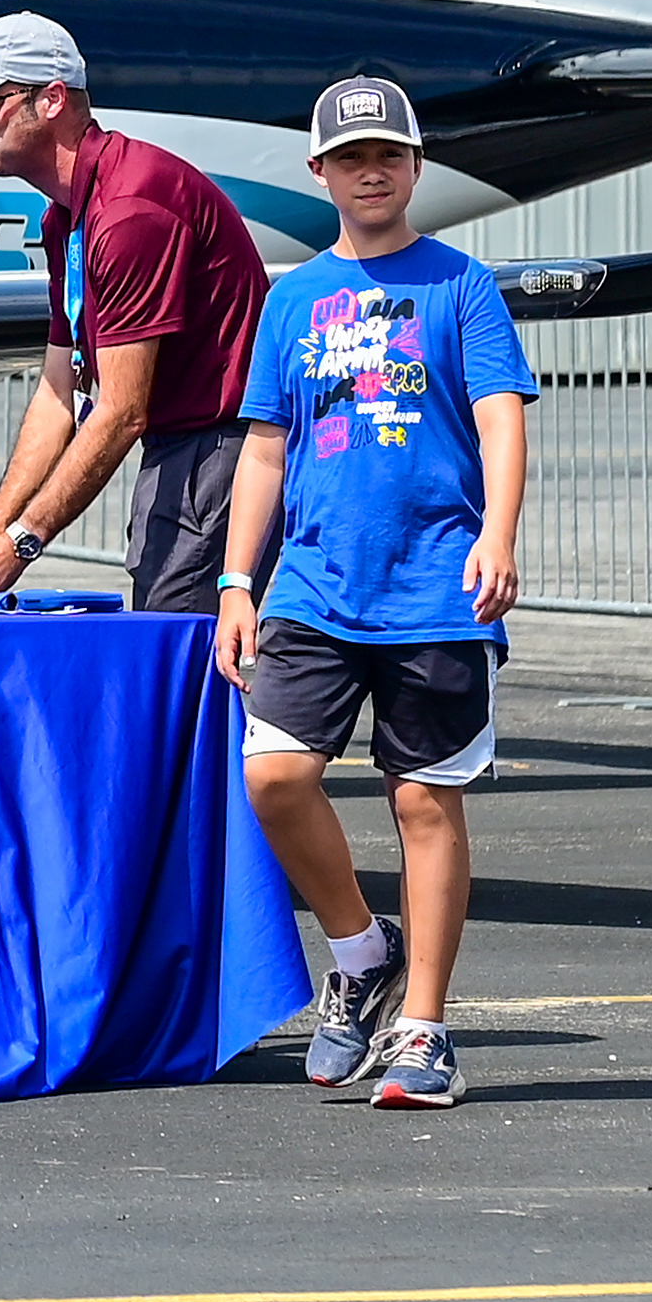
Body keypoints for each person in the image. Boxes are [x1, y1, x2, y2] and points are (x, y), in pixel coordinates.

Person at [215, 74, 535, 1113]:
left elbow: (497, 416)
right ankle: (359, 951)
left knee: (420, 801)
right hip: (311, 582)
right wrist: (233, 579)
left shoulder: (460, 287)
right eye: (349, 157)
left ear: (414, 164)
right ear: (318, 173)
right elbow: (263, 448)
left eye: (387, 154)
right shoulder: (293, 297)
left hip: (435, 585)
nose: (369, 170)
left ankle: (425, 1028)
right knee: (273, 777)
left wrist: (496, 530)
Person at [0, 11, 272, 612]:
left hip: (222, 448)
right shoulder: (67, 217)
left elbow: (121, 412)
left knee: (177, 660)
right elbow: (58, 392)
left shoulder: (128, 209)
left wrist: (21, 543)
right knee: (167, 649)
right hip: (186, 447)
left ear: (52, 100)